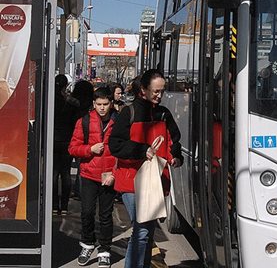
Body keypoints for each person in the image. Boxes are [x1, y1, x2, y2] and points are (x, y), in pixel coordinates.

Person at [109, 69, 183, 268]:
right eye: (155, 91)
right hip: (132, 181)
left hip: (156, 181)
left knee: (147, 231)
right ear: (143, 90)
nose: (159, 96)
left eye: (162, 91)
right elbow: (115, 145)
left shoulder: (164, 114)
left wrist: (175, 156)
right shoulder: (128, 112)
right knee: (142, 231)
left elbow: (174, 140)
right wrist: (142, 150)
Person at [68, 87, 117, 267]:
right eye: (99, 104)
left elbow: (122, 151)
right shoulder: (84, 122)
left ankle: (104, 250)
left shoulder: (118, 122)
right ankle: (88, 244)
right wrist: (90, 149)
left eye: (105, 104)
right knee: (87, 212)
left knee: (106, 215)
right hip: (89, 173)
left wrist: (115, 173)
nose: (102, 108)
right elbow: (73, 148)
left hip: (109, 175)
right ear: (94, 104)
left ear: (110, 104)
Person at [53, 74, 78, 215]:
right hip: (67, 139)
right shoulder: (70, 103)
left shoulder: (49, 100)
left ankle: (54, 205)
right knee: (66, 173)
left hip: (53, 140)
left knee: (54, 173)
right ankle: (64, 206)